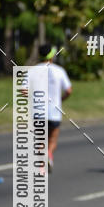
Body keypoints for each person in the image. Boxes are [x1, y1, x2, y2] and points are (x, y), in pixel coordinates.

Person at [35, 44, 72, 172]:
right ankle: (49, 154)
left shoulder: (32, 70)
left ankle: (41, 165)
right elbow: (68, 90)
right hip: (54, 112)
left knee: (40, 140)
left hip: (38, 112)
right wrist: (61, 99)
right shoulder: (59, 70)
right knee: (52, 139)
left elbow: (23, 90)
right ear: (52, 55)